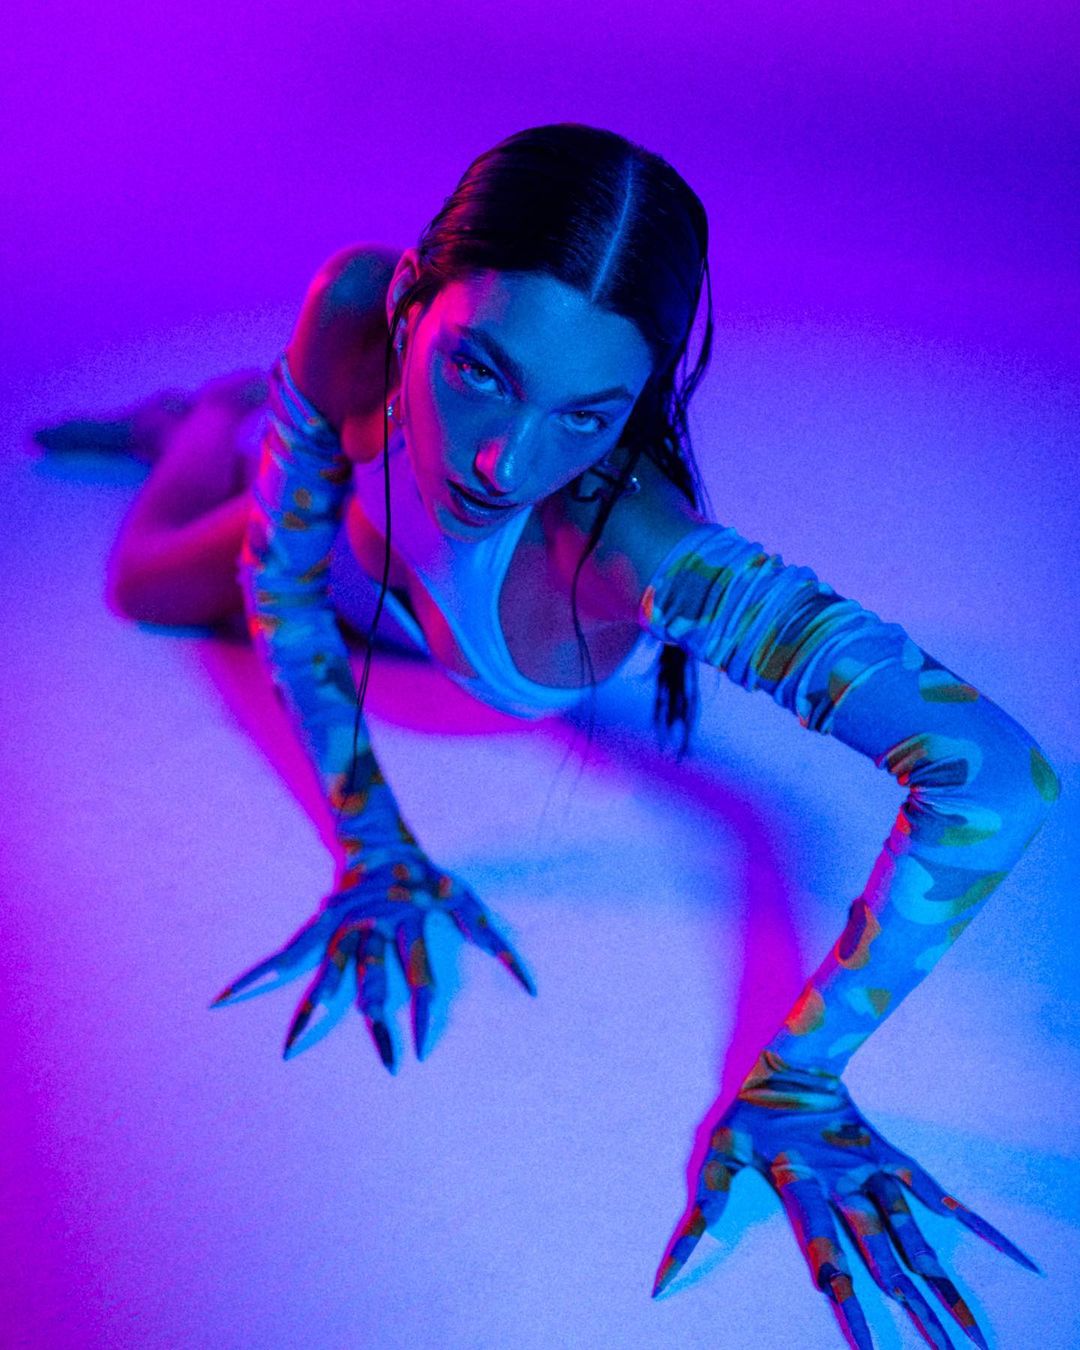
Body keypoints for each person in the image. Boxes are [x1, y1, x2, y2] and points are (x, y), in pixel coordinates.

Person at [33, 122, 1059, 1348]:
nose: (506, 460)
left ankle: (246, 415)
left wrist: (801, 1075)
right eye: (480, 369)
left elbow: (994, 779)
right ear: (413, 303)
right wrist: (374, 841)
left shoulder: (629, 545)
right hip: (345, 526)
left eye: (587, 415)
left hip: (385, 577)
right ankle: (199, 422)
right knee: (144, 586)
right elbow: (283, 585)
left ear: (637, 405)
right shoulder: (356, 304)